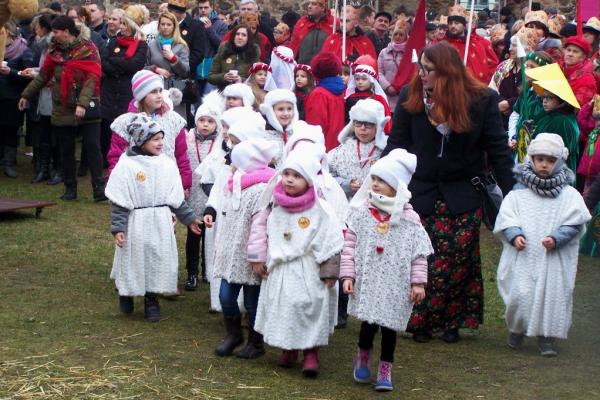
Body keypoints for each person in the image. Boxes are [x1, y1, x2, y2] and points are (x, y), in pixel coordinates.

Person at [383, 42, 515, 343]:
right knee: (422, 257)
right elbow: (396, 145)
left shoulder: (482, 101)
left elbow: (497, 152)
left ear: (446, 71)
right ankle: (421, 320)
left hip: (464, 190)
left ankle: (452, 320)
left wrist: (515, 195)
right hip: (421, 190)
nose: (421, 75)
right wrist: (380, 181)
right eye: (420, 68)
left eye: (427, 70)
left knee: (459, 258)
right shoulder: (411, 96)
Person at [340, 149, 433, 391]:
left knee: (389, 328)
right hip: (369, 281)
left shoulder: (410, 221)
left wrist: (418, 283)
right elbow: (349, 247)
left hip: (395, 284)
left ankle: (385, 367)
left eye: (383, 181)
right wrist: (348, 274)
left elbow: (419, 254)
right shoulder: (362, 214)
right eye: (375, 180)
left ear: (397, 186)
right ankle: (363, 356)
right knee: (368, 325)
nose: (376, 184)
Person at [494, 133, 591, 356]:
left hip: (553, 258)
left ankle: (547, 337)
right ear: (532, 159)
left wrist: (557, 238)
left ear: (558, 162)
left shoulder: (568, 195)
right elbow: (507, 216)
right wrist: (514, 234)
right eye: (540, 159)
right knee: (521, 293)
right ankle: (517, 329)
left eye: (550, 160)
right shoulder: (519, 193)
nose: (544, 165)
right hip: (525, 254)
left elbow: (576, 221)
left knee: (552, 295)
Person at [251, 146, 344, 377]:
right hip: (282, 267)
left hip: (309, 268)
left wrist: (330, 269)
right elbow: (264, 232)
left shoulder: (321, 209)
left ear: (309, 180)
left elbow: (331, 237)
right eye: (287, 174)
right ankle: (288, 347)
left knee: (308, 307)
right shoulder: (275, 205)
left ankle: (310, 352)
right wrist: (261, 257)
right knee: (284, 307)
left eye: (297, 176)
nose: (290, 180)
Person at [106, 114, 203, 322]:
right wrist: (119, 228)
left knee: (155, 258)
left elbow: (175, 198)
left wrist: (190, 219)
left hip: (159, 221)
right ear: (141, 141)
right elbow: (120, 200)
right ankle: (127, 292)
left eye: (161, 138)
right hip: (136, 221)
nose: (161, 143)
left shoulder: (166, 164)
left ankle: (152, 299)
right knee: (133, 258)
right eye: (155, 139)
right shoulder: (126, 166)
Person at [204, 138, 278, 358]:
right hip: (230, 252)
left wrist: (257, 256)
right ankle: (233, 334)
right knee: (225, 296)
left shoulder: (262, 190)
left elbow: (260, 224)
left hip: (250, 256)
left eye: (234, 160)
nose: (230, 164)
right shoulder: (233, 182)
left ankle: (256, 342)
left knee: (252, 302)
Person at [19, 16, 105, 202]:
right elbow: (43, 77)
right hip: (63, 106)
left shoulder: (88, 49)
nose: (53, 35)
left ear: (66, 32)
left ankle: (99, 190)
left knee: (92, 147)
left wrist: (82, 104)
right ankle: (70, 188)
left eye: (56, 32)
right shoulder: (54, 52)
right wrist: (26, 95)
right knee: (66, 149)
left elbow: (92, 78)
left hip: (88, 105)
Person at [107, 70, 192, 193]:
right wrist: (116, 183)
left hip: (167, 182)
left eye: (160, 91)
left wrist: (185, 183)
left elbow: (181, 154)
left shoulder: (174, 120)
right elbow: (116, 156)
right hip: (137, 183)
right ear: (141, 95)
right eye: (153, 92)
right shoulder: (125, 123)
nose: (159, 95)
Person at [184, 97, 222, 290]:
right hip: (192, 193)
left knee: (211, 235)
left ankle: (209, 270)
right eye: (202, 120)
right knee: (193, 235)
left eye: (210, 121)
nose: (205, 125)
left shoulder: (221, 143)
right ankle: (192, 272)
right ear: (196, 120)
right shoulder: (187, 138)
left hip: (211, 194)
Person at [100, 14, 148, 168]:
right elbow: (104, 62)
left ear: (132, 26)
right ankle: (104, 159)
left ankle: (124, 158)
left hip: (127, 89)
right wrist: (122, 63)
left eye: (124, 24)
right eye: (120, 23)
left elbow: (135, 65)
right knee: (107, 124)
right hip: (110, 89)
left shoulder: (140, 44)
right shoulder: (113, 41)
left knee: (125, 123)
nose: (121, 27)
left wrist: (115, 61)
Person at [25, 13, 61, 185]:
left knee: (58, 136)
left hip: (58, 96)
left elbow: (63, 71)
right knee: (45, 134)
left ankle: (60, 170)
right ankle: (44, 169)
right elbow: (43, 68)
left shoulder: (65, 49)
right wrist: (34, 71)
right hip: (45, 96)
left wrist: (39, 74)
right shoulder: (45, 47)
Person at [329, 98, 389, 201]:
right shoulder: (342, 150)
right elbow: (327, 175)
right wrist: (346, 184)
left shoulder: (385, 152)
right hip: (345, 204)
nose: (362, 128)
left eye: (368, 124)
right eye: (358, 123)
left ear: (378, 126)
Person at [0, 21, 34, 178]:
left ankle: (9, 162)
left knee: (11, 130)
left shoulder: (24, 51)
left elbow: (27, 77)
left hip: (13, 98)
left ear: (10, 35)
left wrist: (11, 72)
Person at [166, 0, 208, 126]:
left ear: (179, 12)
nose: (169, 14)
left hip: (185, 78)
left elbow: (198, 54)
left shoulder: (196, 26)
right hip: (165, 76)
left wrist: (180, 67)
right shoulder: (167, 24)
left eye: (171, 12)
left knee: (183, 117)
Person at [529, 70, 580, 172]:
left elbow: (560, 154)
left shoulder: (562, 122)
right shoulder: (553, 117)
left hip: (553, 172)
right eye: (544, 97)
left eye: (550, 98)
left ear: (560, 100)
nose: (545, 101)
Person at [147, 11, 190, 118]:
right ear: (159, 26)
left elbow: (186, 72)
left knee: (173, 123)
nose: (165, 27)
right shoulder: (152, 44)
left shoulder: (181, 46)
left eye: (169, 24)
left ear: (174, 27)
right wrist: (155, 69)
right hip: (155, 89)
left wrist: (173, 58)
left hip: (174, 90)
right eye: (163, 24)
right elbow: (144, 66)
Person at [443, 4, 499, 84]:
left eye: (456, 23)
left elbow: (488, 68)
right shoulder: (443, 45)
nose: (453, 26)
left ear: (463, 25)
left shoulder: (476, 45)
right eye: (450, 23)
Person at [304, 52, 345, 151]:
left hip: (322, 147)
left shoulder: (319, 94)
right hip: (337, 145)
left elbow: (315, 125)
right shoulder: (341, 90)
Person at [208, 24, 260, 91]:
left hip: (244, 93)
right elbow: (211, 76)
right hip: (223, 92)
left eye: (244, 35)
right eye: (237, 34)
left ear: (248, 38)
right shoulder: (224, 49)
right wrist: (223, 77)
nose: (240, 37)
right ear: (233, 36)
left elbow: (257, 80)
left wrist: (241, 80)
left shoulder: (254, 52)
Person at [344, 61, 391, 133]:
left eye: (364, 79)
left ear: (371, 81)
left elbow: (385, 122)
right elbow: (347, 121)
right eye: (357, 79)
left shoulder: (379, 99)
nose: (360, 82)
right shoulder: (350, 99)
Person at [260, 89, 299, 167]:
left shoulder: (297, 132)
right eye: (280, 109)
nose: (286, 113)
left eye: (289, 109)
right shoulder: (263, 134)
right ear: (270, 111)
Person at [197, 0, 228, 96]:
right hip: (197, 67)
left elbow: (221, 46)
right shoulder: (194, 23)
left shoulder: (221, 24)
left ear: (212, 7)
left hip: (212, 68)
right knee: (196, 101)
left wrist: (209, 29)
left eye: (206, 8)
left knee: (208, 98)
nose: (203, 10)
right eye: (200, 8)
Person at [288, 0, 334, 65]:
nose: (309, 6)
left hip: (325, 69)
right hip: (303, 70)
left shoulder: (333, 24)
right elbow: (293, 47)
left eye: (314, 4)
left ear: (323, 8)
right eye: (309, 3)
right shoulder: (301, 23)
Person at [378, 19, 408, 113]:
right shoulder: (384, 52)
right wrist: (387, 87)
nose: (398, 37)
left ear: (406, 36)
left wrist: (400, 88)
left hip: (403, 96)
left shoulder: (409, 53)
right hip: (386, 94)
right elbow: (379, 72)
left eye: (401, 34)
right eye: (396, 34)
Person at [558, 36, 596, 108]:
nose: (570, 54)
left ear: (583, 57)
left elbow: (578, 107)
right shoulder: (556, 67)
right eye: (568, 50)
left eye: (575, 52)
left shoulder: (587, 80)